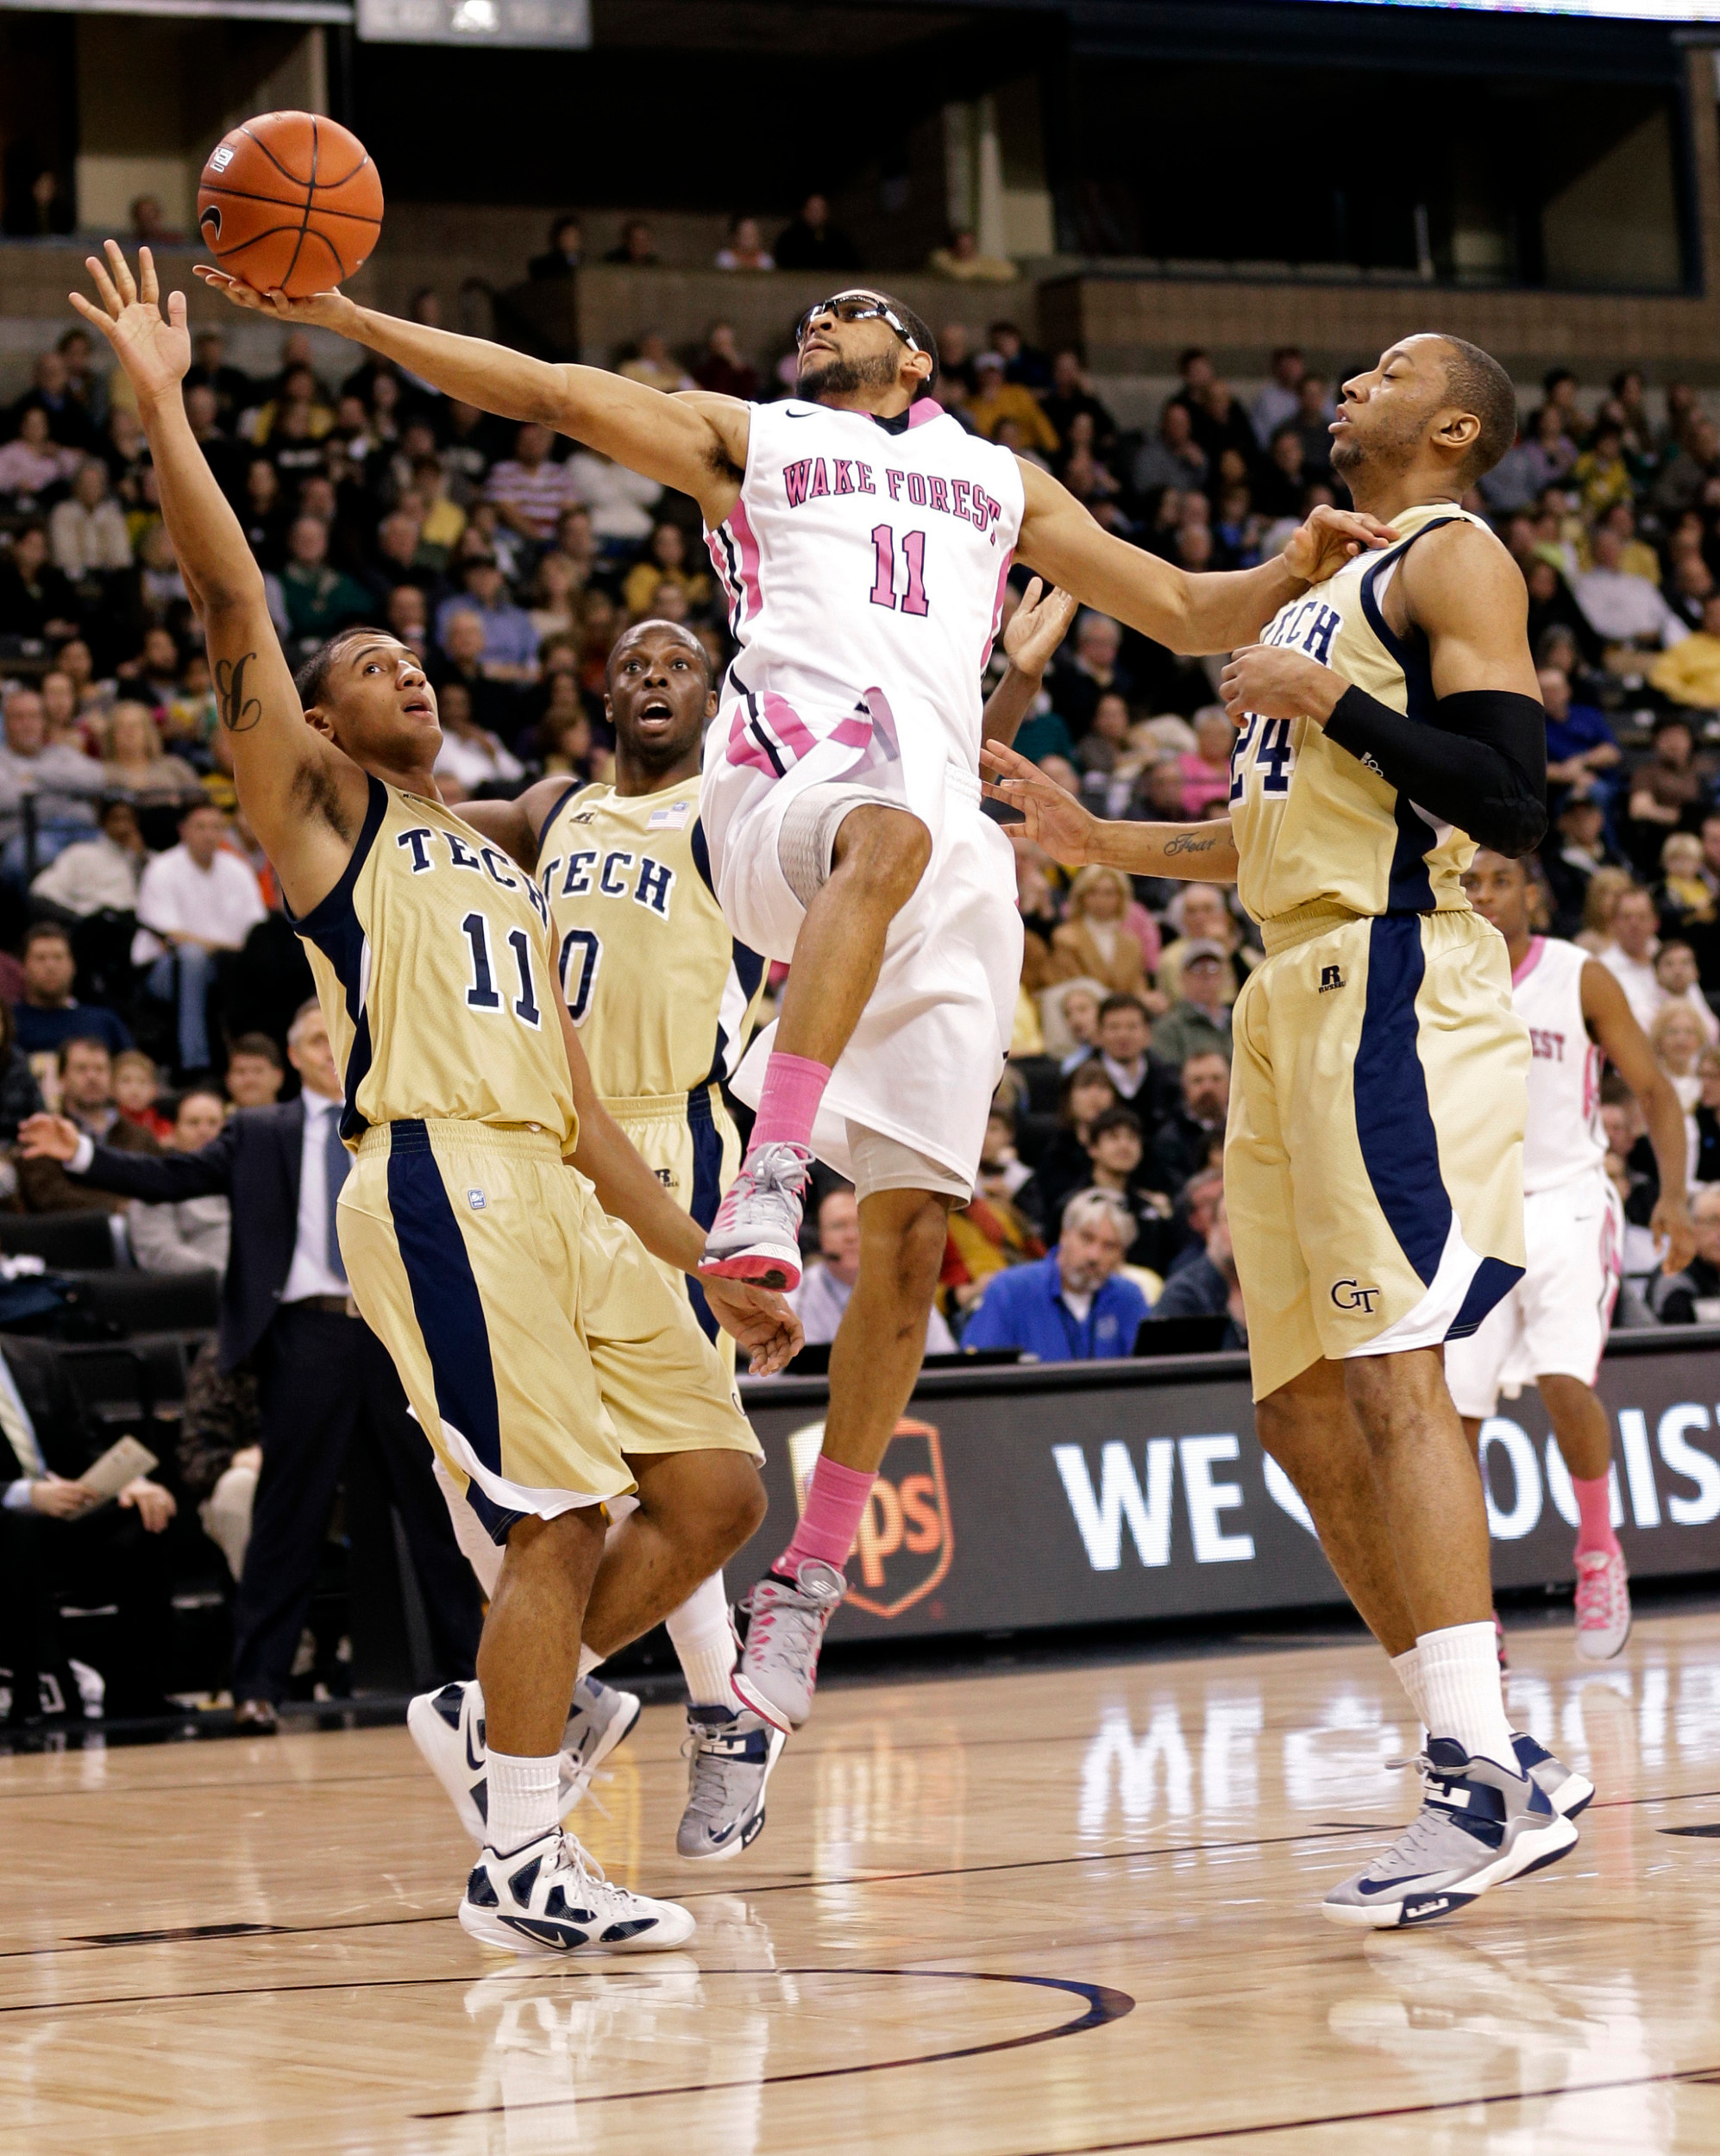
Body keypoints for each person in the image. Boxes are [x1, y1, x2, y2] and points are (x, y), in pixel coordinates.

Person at [198, 260, 1390, 1752]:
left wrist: (1286, 568)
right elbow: (551, 394)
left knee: (903, 1247)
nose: (819, 321)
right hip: (787, 798)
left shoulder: (995, 478)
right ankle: (769, 1177)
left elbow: (1174, 602)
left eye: (852, 308)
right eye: (809, 312)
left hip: (947, 857)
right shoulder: (753, 438)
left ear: (915, 352)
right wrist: (358, 324)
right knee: (879, 835)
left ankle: (806, 1585)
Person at [86, 240, 799, 1955]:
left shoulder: (502, 857)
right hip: (430, 1188)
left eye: (419, 658)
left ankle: (506, 1727)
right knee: (554, 1511)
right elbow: (235, 606)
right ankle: (524, 1847)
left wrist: (700, 1256)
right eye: (373, 665)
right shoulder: (325, 829)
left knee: (712, 1498)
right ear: (314, 725)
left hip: (552, 1189)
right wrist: (167, 407)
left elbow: (579, 1104)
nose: (408, 668)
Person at [982, 331, 1592, 1927]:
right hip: (1284, 993)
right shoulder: (1325, 580)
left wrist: (1326, 697)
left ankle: (1470, 1780)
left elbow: (1511, 802)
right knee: (1303, 1417)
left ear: (1451, 424)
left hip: (1390, 977)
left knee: (1393, 1379)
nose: (1351, 380)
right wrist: (1084, 836)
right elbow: (1264, 833)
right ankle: (1494, 1747)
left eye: (1389, 370)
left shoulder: (1455, 561)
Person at [449, 617, 782, 1861]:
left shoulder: (736, 813)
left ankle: (711, 1713)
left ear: (716, 698)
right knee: (552, 1487)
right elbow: (403, 831)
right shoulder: (551, 809)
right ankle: (612, 1700)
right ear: (599, 694)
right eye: (632, 665)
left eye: (679, 665)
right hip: (546, 1150)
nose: (654, 678)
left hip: (667, 1143)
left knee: (672, 1471)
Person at [22, 1006, 483, 1726]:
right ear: (293, 1058)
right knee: (285, 1515)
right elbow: (167, 1176)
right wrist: (81, 1153)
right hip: (307, 1335)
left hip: (398, 1335)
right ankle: (259, 1687)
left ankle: (482, 1681)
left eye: (343, 1038)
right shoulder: (262, 1131)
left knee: (437, 1509)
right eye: (316, 1041)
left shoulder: (404, 1117)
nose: (333, 1052)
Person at [1446, 851, 1693, 1663]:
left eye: (1498, 881)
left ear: (1531, 892)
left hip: (1568, 1199)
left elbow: (1653, 1090)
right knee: (1455, 1422)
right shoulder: (1434, 972)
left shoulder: (1578, 975)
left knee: (1562, 1378)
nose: (1482, 894)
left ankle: (1597, 1552)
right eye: (1468, 882)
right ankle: (1471, 1612)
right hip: (1471, 1214)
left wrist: (1672, 1197)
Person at [133, 800, 269, 1074]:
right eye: (201, 827)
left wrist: (228, 952)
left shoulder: (238, 869)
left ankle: (255, 1059)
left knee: (266, 954)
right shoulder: (162, 868)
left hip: (224, 964)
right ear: (183, 830)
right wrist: (224, 949)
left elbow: (256, 931)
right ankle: (194, 1063)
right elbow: (173, 936)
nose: (209, 834)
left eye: (216, 827)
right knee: (192, 956)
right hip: (164, 969)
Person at [960, 1188, 1147, 1358]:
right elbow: (978, 1374)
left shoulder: (1129, 1298)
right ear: (1064, 1235)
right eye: (1086, 1238)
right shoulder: (1010, 1290)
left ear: (1122, 1256)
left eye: (1109, 1246)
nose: (1094, 1256)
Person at [793, 1185, 956, 1351]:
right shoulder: (798, 1294)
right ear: (820, 1236)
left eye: (861, 1224)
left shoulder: (907, 1290)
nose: (851, 1236)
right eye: (838, 1226)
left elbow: (944, 1361)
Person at [18, 1036, 158, 1214]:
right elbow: (50, 1197)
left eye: (100, 1069)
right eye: (81, 1069)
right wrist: (118, 1206)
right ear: (62, 1078)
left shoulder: (140, 1136)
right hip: (73, 1234)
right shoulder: (46, 1134)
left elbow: (159, 1185)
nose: (92, 1077)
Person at [122, 1083, 231, 1274]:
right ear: (173, 1132)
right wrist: (222, 1275)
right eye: (193, 1123)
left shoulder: (246, 1176)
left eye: (213, 1123)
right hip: (205, 1287)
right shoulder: (156, 1182)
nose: (204, 1131)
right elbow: (159, 1252)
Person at [12, 921, 131, 1060]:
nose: (50, 966)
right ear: (23, 968)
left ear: (73, 965)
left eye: (58, 957)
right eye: (41, 958)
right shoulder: (9, 1022)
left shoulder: (104, 1023)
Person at [1150, 944, 1234, 1069]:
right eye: (1196, 968)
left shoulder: (1239, 1020)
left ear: (1224, 977)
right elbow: (1167, 1076)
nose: (1205, 976)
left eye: (1213, 968)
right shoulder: (1169, 1027)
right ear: (1182, 978)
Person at [772, 194, 860, 272]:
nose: (817, 214)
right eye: (813, 210)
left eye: (821, 210)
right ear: (805, 211)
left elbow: (851, 264)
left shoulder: (837, 239)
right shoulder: (790, 239)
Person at [225, 1031, 286, 1107]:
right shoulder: (216, 1118)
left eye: (258, 1071)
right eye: (241, 1072)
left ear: (279, 1077)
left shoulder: (299, 1118)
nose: (249, 1080)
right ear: (227, 1079)